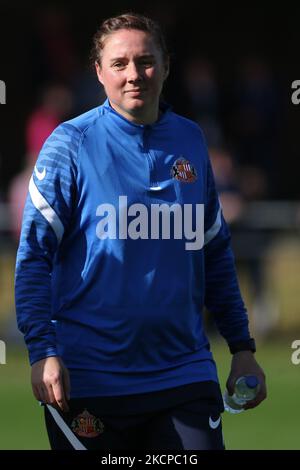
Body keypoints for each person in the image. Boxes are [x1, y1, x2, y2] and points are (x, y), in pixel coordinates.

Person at [15, 12, 266, 451]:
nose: (134, 75)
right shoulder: (69, 145)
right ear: (99, 71)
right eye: (120, 64)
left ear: (166, 66)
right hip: (88, 380)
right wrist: (43, 351)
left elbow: (215, 252)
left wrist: (241, 345)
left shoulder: (190, 140)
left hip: (183, 373)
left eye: (146, 61)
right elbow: (34, 256)